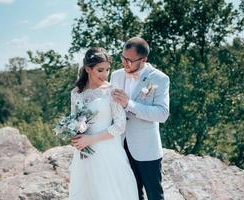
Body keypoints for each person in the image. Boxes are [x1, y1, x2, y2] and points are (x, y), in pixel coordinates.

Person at [69, 47, 138, 200]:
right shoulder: (76, 93)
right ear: (88, 69)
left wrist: (91, 139)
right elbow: (74, 120)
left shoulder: (112, 91)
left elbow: (120, 125)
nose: (105, 74)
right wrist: (74, 134)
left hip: (108, 149)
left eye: (107, 69)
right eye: (100, 70)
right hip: (84, 152)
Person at [110, 37, 170, 200]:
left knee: (154, 195)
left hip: (146, 148)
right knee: (131, 194)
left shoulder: (159, 78)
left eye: (130, 60)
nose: (125, 63)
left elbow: (162, 114)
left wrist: (129, 104)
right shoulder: (115, 75)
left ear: (144, 59)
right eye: (123, 58)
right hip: (121, 146)